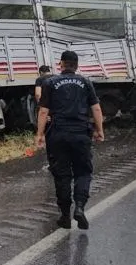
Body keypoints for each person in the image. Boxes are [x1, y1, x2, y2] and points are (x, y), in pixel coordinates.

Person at [34, 50, 104, 230]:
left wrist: (40, 135)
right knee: (83, 172)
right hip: (81, 133)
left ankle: (65, 216)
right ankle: (79, 207)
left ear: (61, 64)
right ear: (77, 65)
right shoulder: (85, 82)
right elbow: (96, 109)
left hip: (58, 134)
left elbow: (43, 111)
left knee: (62, 174)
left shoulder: (49, 82)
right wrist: (99, 130)